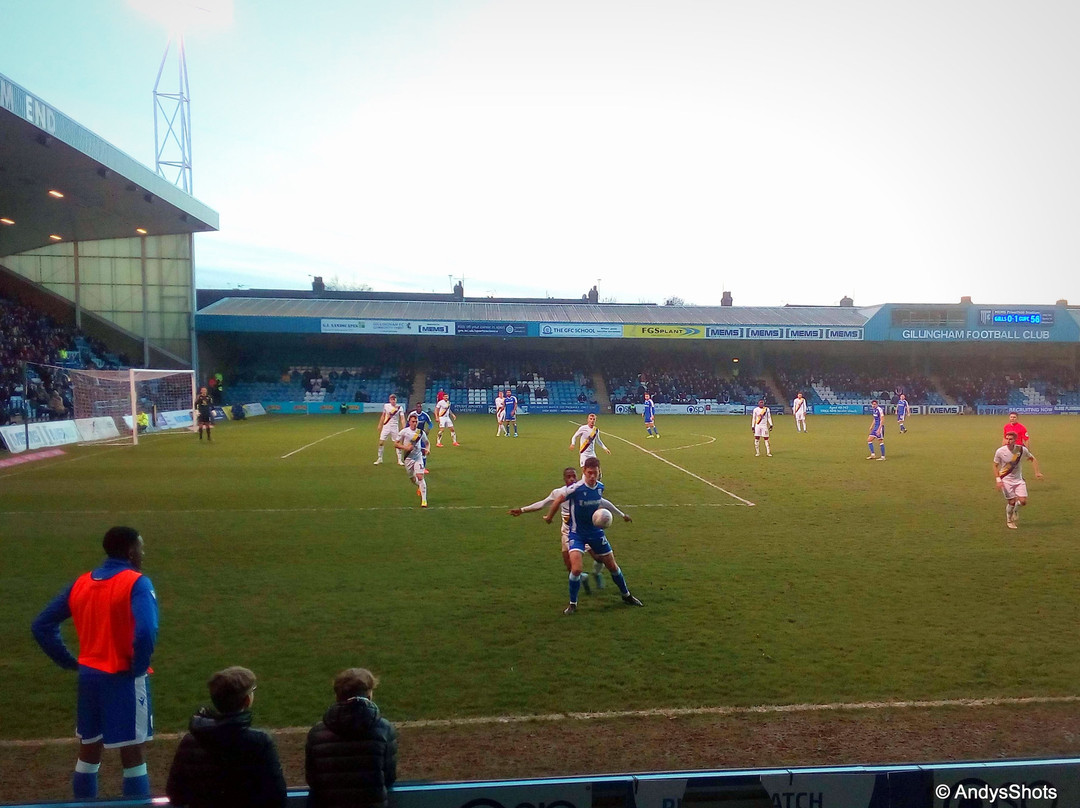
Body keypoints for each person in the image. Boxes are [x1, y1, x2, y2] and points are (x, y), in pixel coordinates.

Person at [31, 527, 158, 799]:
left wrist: (68, 661)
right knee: (133, 752)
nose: (143, 553)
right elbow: (146, 631)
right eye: (141, 547)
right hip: (123, 677)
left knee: (89, 751)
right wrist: (137, 667)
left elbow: (41, 625)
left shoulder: (82, 582)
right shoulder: (137, 582)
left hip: (89, 678)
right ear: (130, 551)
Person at [165, 666, 287, 808]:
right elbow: (276, 797)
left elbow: (176, 795)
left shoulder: (190, 741)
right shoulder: (260, 742)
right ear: (247, 701)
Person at [544, 457, 643, 614]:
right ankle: (573, 604)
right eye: (589, 473)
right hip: (577, 534)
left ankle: (626, 595)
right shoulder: (576, 488)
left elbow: (602, 502)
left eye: (595, 473)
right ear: (584, 471)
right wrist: (549, 517)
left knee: (613, 566)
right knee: (576, 569)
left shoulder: (599, 487)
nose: (592, 476)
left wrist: (620, 514)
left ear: (599, 472)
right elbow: (558, 500)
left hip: (596, 533)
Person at [509, 467, 614, 593]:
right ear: (564, 479)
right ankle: (584, 578)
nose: (571, 479)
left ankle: (596, 574)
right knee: (571, 569)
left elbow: (601, 501)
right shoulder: (559, 493)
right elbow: (542, 504)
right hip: (567, 534)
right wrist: (522, 510)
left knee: (599, 558)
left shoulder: (582, 490)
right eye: (568, 477)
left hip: (583, 531)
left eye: (574, 476)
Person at [305, 668, 399, 808]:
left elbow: (313, 779)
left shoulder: (317, 733)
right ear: (369, 694)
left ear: (338, 695)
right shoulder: (384, 729)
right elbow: (389, 777)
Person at [994, 430, 1044, 529]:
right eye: (1007, 439)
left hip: (1019, 480)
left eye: (1010, 439)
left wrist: (1037, 472)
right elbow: (995, 465)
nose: (1008, 441)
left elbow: (1032, 458)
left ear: (1015, 440)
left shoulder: (1021, 450)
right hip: (1006, 480)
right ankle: (1009, 520)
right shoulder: (1000, 451)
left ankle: (1015, 510)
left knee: (1023, 501)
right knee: (1011, 502)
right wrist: (998, 480)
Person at [395, 413, 429, 507]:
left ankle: (424, 500)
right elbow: (396, 444)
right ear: (409, 422)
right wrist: (405, 447)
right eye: (413, 421)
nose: (415, 423)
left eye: (416, 421)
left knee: (420, 476)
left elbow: (427, 443)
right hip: (408, 458)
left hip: (418, 457)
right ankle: (419, 486)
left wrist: (427, 449)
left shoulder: (420, 432)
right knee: (413, 479)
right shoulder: (404, 432)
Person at [373, 393, 404, 466]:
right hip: (386, 426)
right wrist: (380, 424)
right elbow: (383, 416)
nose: (393, 401)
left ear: (396, 400)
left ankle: (399, 460)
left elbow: (402, 418)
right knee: (381, 442)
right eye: (392, 399)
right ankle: (380, 458)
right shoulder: (386, 406)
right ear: (389, 400)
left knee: (397, 443)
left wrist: (404, 427)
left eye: (394, 399)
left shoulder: (399, 407)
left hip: (395, 427)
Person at [411, 401, 433, 474]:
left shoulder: (425, 415)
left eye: (420, 407)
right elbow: (407, 425)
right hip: (413, 434)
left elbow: (431, 424)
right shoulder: (412, 415)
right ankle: (412, 466)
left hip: (421, 434)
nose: (419, 408)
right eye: (418, 407)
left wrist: (428, 430)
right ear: (416, 407)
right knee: (412, 451)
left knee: (423, 451)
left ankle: (423, 467)